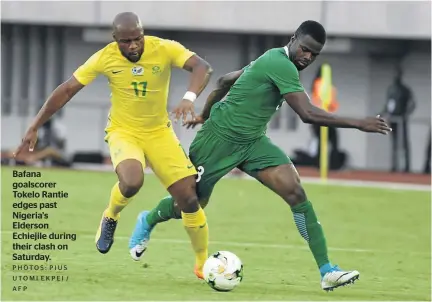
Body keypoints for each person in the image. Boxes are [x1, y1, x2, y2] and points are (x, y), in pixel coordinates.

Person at [128, 20, 391, 290]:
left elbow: (225, 80)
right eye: (305, 49)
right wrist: (359, 123)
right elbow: (307, 113)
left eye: (314, 54)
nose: (307, 57)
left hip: (253, 142)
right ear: (293, 40)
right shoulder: (280, 63)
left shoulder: (272, 58)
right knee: (191, 202)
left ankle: (327, 270)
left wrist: (204, 114)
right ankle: (147, 219)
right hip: (217, 141)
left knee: (295, 192)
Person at [14, 12, 213, 275]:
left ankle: (202, 264)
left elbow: (202, 67)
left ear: (143, 35)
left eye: (138, 39)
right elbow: (67, 89)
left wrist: (189, 97)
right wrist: (34, 125)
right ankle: (111, 215)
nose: (133, 46)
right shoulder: (104, 57)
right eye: (126, 41)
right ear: (115, 39)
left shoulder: (164, 48)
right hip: (124, 131)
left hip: (159, 133)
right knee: (132, 181)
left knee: (189, 198)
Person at [381, 66, 415, 172]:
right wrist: (383, 113)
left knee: (404, 143)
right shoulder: (391, 89)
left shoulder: (405, 90)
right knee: (394, 142)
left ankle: (406, 166)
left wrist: (406, 114)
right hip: (393, 119)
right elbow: (388, 104)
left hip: (402, 119)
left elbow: (412, 103)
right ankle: (394, 166)